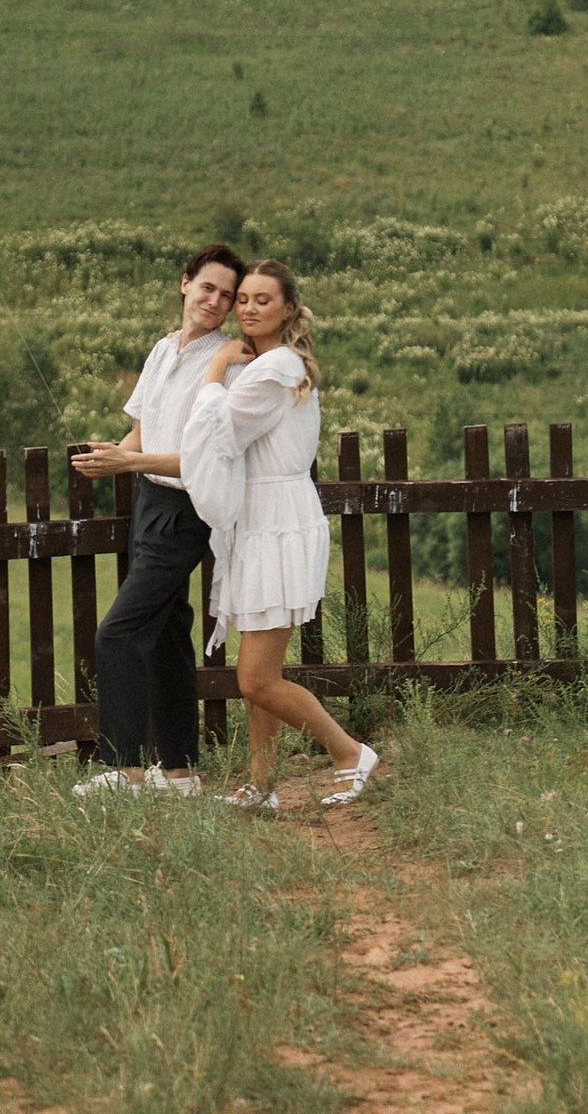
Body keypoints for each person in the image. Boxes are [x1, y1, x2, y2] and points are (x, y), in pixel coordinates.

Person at [180, 257, 377, 810]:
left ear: (289, 308)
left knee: (255, 679)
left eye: (262, 300)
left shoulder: (274, 369)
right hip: (261, 520)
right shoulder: (271, 366)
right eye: (242, 299)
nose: (247, 308)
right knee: (258, 668)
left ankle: (349, 752)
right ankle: (261, 785)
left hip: (278, 524)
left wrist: (215, 366)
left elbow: (215, 435)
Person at [69, 242, 243, 792]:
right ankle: (181, 771)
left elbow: (208, 460)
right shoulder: (163, 350)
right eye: (208, 287)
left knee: (118, 635)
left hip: (185, 511)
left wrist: (131, 460)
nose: (215, 301)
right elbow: (146, 426)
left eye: (228, 295)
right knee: (169, 636)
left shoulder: (230, 364)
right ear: (184, 283)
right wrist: (112, 458)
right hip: (148, 502)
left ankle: (122, 771)